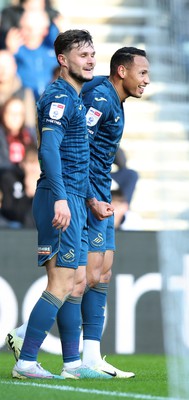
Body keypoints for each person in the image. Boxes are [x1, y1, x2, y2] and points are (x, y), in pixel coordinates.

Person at [6, 46, 150, 378]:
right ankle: (66, 356)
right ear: (122, 71)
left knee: (98, 274)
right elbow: (76, 144)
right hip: (83, 193)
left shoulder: (111, 99)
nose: (146, 80)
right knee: (79, 279)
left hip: (94, 191)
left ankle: (83, 357)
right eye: (142, 73)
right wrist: (85, 196)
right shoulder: (98, 99)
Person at [6, 8, 58, 100]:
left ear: (45, 30)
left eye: (30, 29)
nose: (26, 32)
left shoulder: (51, 50)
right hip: (24, 101)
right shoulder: (16, 50)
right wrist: (10, 52)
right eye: (23, 27)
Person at [0, 144, 40, 228]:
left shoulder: (50, 181)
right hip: (15, 226)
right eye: (31, 162)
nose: (34, 168)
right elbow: (9, 211)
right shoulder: (9, 177)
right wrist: (28, 194)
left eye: (37, 163)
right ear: (22, 164)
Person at [0, 49, 36, 132]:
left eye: (7, 66)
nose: (3, 70)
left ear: (14, 67)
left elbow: (30, 126)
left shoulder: (25, 93)